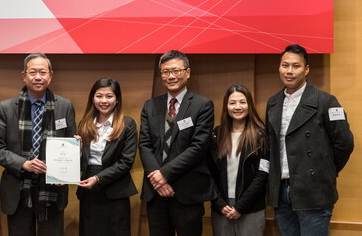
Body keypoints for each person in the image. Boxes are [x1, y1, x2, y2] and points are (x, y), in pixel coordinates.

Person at [266, 44, 354, 236]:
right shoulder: (273, 103)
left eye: (296, 66)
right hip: (280, 191)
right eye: (285, 65)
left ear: (306, 69)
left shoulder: (326, 101)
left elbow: (345, 143)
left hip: (314, 191)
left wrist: (324, 171)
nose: (289, 71)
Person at [0, 53, 76, 236]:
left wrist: (73, 151)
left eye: (42, 72)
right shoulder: (6, 108)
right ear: (24, 75)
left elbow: (70, 142)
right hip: (17, 188)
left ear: (50, 75)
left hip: (52, 189)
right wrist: (23, 163)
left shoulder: (65, 106)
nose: (38, 77)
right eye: (33, 72)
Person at [139, 50, 214, 236]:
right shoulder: (150, 105)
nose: (170, 76)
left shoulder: (202, 105)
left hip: (187, 192)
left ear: (187, 72)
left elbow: (199, 147)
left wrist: (164, 174)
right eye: (165, 72)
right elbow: (145, 145)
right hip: (155, 192)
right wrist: (158, 181)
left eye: (176, 71)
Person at [76, 78, 138, 236]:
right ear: (92, 98)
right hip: (88, 190)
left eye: (109, 96)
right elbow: (81, 161)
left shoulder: (127, 125)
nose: (104, 101)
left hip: (116, 189)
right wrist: (77, 149)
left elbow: (126, 162)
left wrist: (98, 179)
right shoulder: (84, 124)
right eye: (99, 96)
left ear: (117, 100)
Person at [208, 85, 269, 236]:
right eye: (232, 103)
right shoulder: (217, 135)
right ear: (226, 106)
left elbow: (262, 175)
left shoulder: (260, 136)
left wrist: (241, 207)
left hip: (251, 208)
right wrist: (219, 203)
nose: (237, 107)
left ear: (249, 105)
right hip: (222, 208)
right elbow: (209, 173)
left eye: (242, 102)